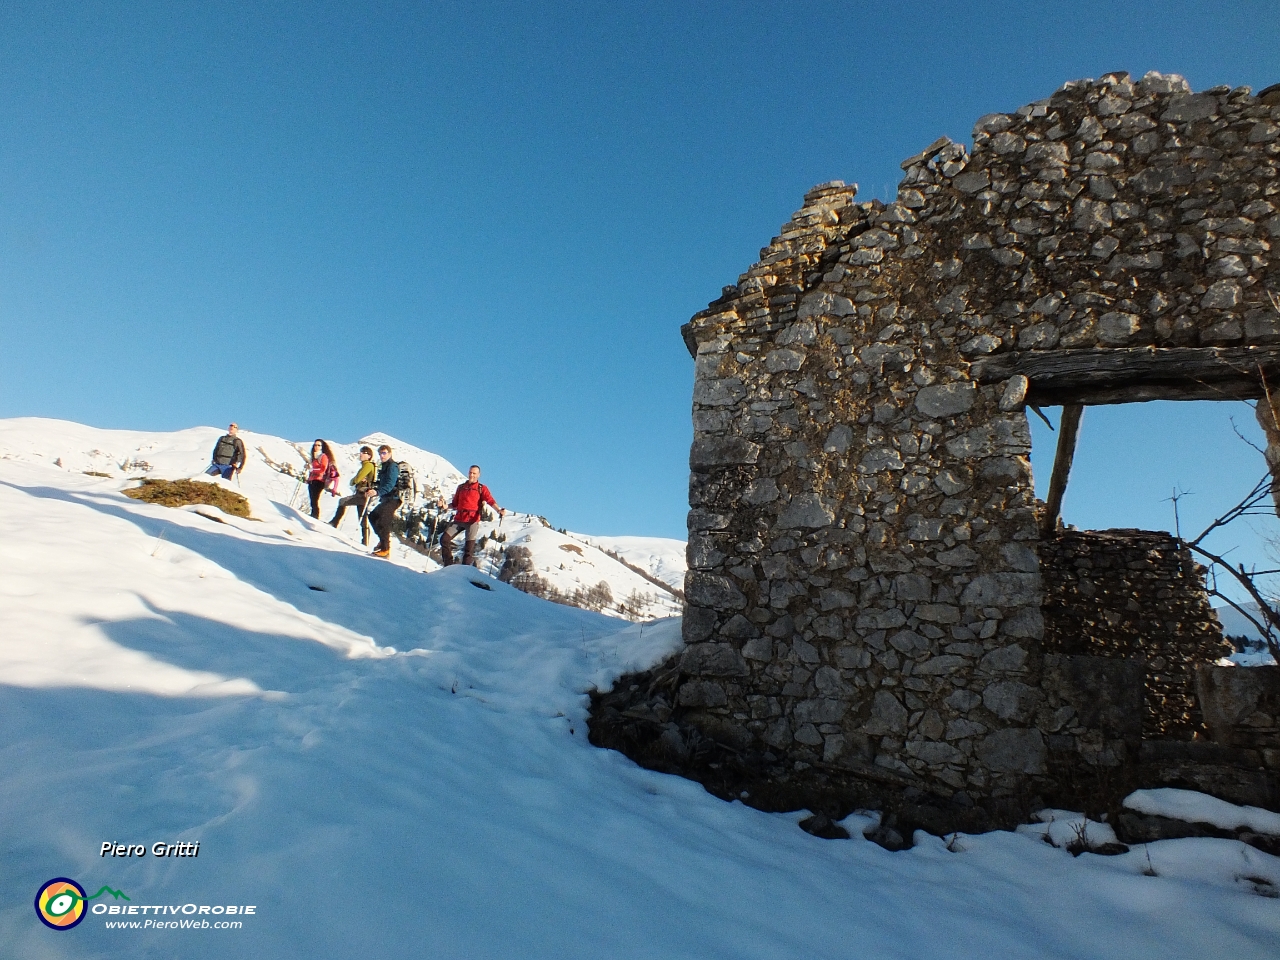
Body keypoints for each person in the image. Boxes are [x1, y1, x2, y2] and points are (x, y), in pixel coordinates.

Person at [437, 465, 505, 567]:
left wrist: (498, 510)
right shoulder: (461, 488)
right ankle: (448, 565)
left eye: (474, 473)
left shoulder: (481, 488)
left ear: (478, 475)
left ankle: (464, 571)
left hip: (473, 520)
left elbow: (490, 500)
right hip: (459, 519)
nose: (471, 475)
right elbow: (455, 504)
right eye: (470, 473)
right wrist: (444, 506)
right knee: (444, 539)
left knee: (468, 549)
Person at [329, 446, 377, 545]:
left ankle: (334, 522)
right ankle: (365, 541)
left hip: (362, 494)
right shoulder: (368, 465)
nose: (361, 454)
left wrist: (353, 481)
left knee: (342, 502)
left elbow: (357, 478)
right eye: (361, 452)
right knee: (362, 517)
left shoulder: (367, 465)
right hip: (365, 495)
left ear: (369, 456)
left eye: (364, 452)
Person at [369, 445, 401, 558]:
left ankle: (385, 549)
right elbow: (383, 483)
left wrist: (377, 492)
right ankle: (383, 543)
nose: (382, 455)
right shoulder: (384, 467)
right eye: (380, 453)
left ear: (390, 453)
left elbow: (390, 484)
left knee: (383, 522)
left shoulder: (392, 466)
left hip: (393, 499)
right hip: (387, 498)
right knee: (373, 517)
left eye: (384, 453)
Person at [305, 439, 337, 520]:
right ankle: (314, 515)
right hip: (313, 480)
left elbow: (323, 469)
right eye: (315, 445)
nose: (316, 447)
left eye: (318, 445)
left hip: (319, 480)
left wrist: (312, 470)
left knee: (314, 499)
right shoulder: (315, 457)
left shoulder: (323, 456)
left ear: (322, 447)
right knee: (312, 499)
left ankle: (315, 515)